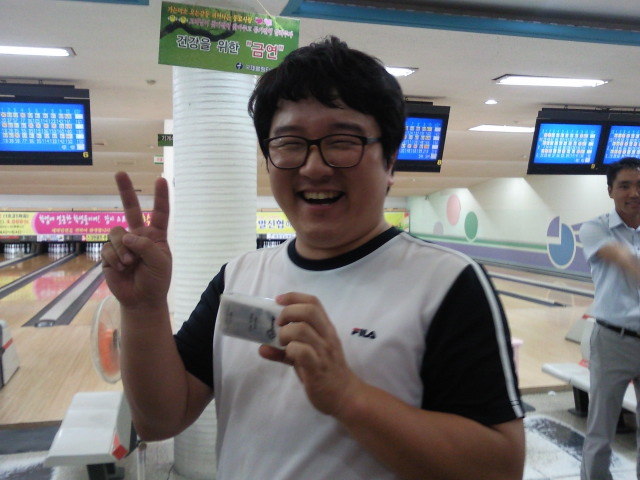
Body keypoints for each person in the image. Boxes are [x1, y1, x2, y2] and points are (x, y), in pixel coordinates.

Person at [102, 36, 525, 480]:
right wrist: (143, 309)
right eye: (289, 143)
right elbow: (160, 420)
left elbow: (501, 468)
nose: (313, 167)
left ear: (390, 162)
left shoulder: (448, 283)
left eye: (342, 141)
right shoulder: (238, 277)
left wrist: (348, 396)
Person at [580, 156, 640, 480]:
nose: (634, 193)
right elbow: (621, 257)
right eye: (625, 186)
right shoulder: (595, 228)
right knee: (601, 430)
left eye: (639, 185)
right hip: (612, 340)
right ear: (610, 190)